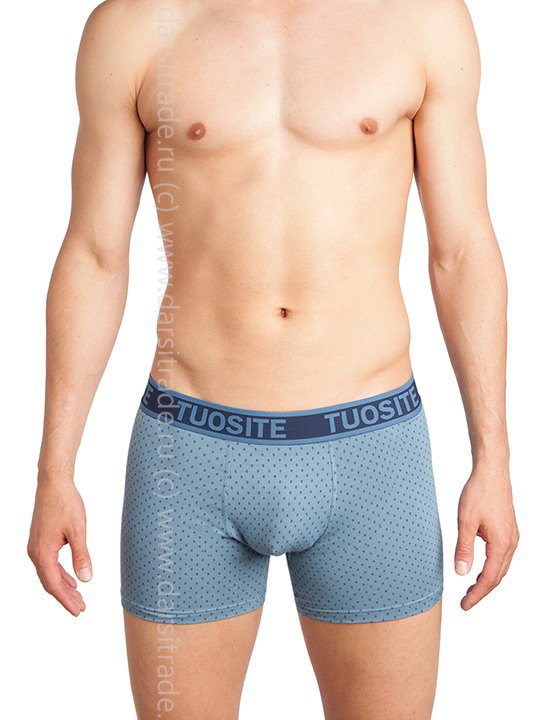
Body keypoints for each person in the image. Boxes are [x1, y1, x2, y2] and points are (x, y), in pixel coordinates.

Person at [27, 0, 519, 718]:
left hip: (372, 454)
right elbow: (95, 256)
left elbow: (463, 251)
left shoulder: (420, 19)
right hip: (189, 454)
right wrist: (54, 471)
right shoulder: (134, 26)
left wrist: (494, 460)